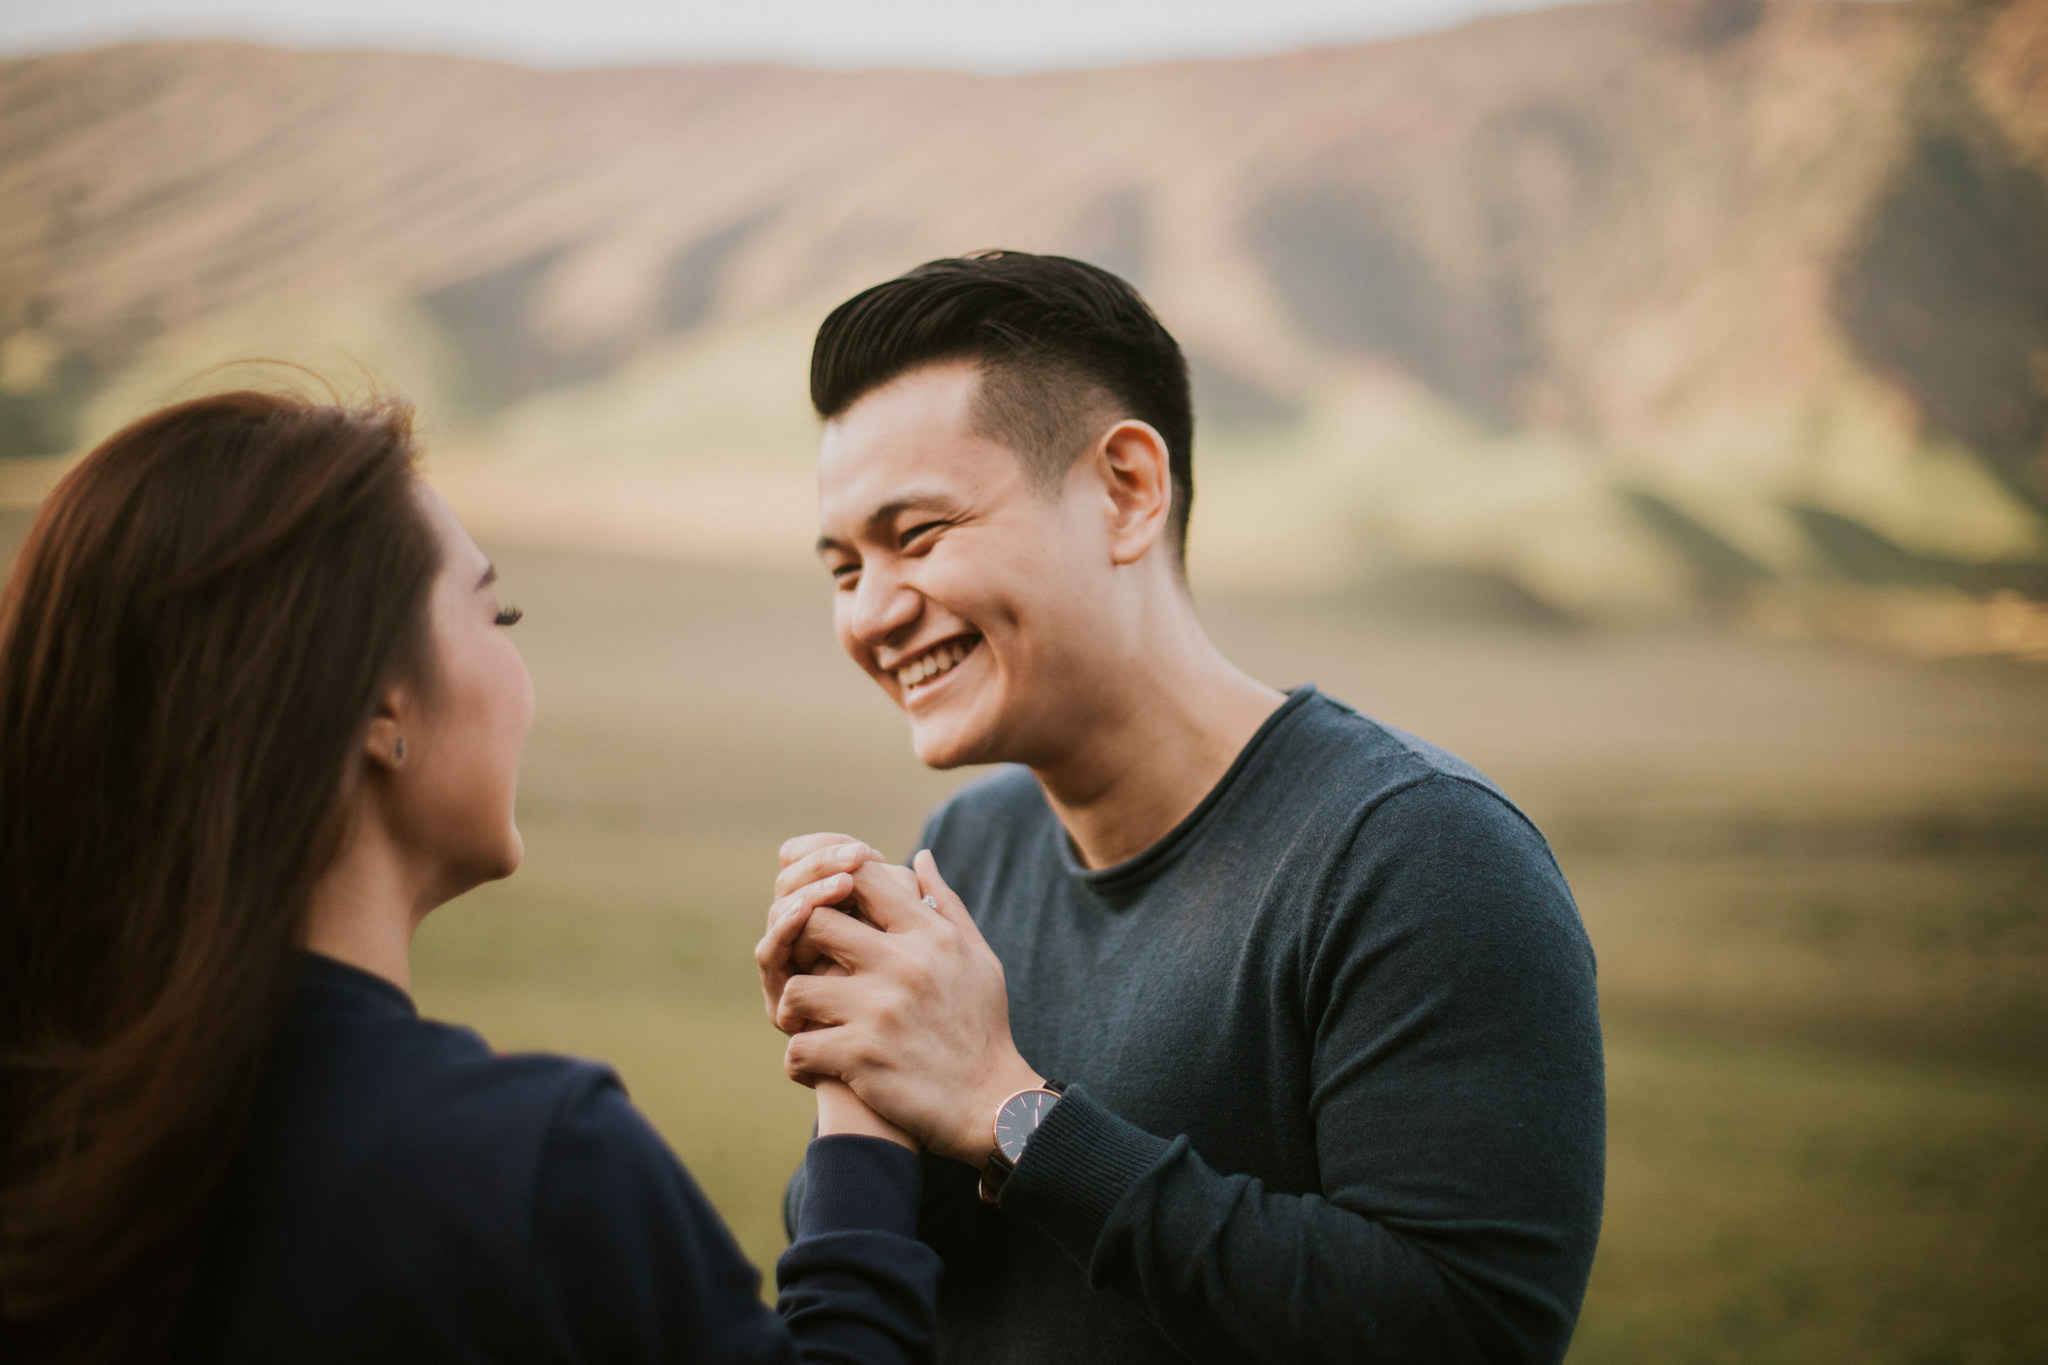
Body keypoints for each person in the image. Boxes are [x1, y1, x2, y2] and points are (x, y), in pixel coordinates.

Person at [756, 252, 1606, 1364]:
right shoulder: (962, 852)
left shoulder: (1417, 854)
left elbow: (1464, 1328)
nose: (871, 613)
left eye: (916, 537)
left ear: (1125, 490)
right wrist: (859, 1079)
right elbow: (936, 1271)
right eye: (840, 568)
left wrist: (1007, 1110)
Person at [0, 391, 939, 1365]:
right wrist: (861, 1119)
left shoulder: (54, 1116)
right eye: (496, 613)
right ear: (378, 701)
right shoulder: (525, 1164)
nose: (517, 661)